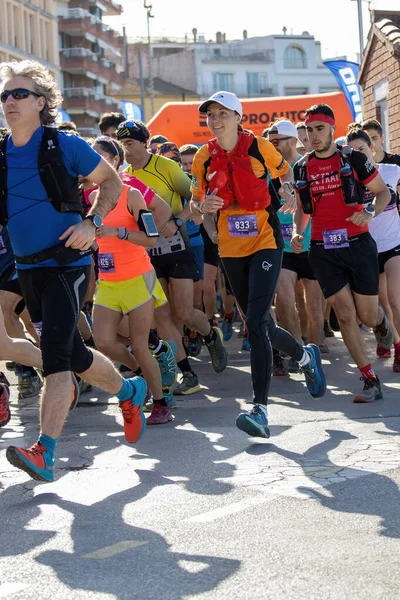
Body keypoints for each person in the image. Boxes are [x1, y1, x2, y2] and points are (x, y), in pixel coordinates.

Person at [0, 59, 149, 483]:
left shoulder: (63, 145)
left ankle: (44, 451)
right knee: (74, 353)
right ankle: (129, 390)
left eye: (19, 94)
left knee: (56, 357)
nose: (9, 101)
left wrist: (91, 223)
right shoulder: (0, 152)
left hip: (68, 262)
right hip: (27, 267)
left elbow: (113, 183)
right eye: (5, 95)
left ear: (41, 102)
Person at [190, 91, 326, 439]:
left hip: (266, 241)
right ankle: (306, 358)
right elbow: (195, 204)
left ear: (238, 116)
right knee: (260, 321)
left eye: (223, 113)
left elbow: (286, 178)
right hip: (230, 247)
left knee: (255, 322)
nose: (215, 119)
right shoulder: (203, 156)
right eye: (210, 114)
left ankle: (259, 408)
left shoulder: (259, 147)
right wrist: (204, 208)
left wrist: (291, 195)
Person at [116, 120, 228, 396]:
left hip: (178, 246)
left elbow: (195, 199)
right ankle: (187, 374)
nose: (126, 150)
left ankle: (211, 335)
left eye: (130, 144)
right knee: (162, 316)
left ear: (144, 142)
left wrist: (176, 222)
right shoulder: (126, 175)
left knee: (184, 312)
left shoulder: (166, 166)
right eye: (122, 145)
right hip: (149, 254)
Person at [291, 103, 392, 403]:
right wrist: (298, 232)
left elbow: (383, 192)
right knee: (346, 317)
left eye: (319, 129)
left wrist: (370, 212)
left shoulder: (355, 159)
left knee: (367, 315)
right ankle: (369, 378)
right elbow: (302, 209)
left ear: (333, 128)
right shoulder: (302, 167)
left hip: (358, 245)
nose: (313, 136)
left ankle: (382, 322)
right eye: (309, 130)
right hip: (323, 248)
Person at [90, 137, 174, 425]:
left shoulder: (132, 195)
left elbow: (151, 239)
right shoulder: (91, 200)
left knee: (140, 344)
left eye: (98, 157)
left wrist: (118, 233)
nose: (92, 164)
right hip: (108, 281)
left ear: (114, 162)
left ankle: (161, 402)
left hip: (137, 277)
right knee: (102, 341)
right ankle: (143, 376)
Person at [268, 120, 324, 370]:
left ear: (292, 141)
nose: (272, 145)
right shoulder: (266, 168)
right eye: (270, 141)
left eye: (277, 140)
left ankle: (314, 352)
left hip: (310, 242)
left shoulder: (307, 167)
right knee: (285, 296)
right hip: (280, 243)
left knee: (312, 304)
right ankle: (296, 350)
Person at [346, 124, 400, 372]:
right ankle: (388, 337)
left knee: (396, 299)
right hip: (367, 248)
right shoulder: (348, 179)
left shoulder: (391, 170)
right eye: (353, 150)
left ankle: (399, 351)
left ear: (372, 147)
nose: (359, 153)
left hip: (394, 243)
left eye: (363, 148)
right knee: (381, 304)